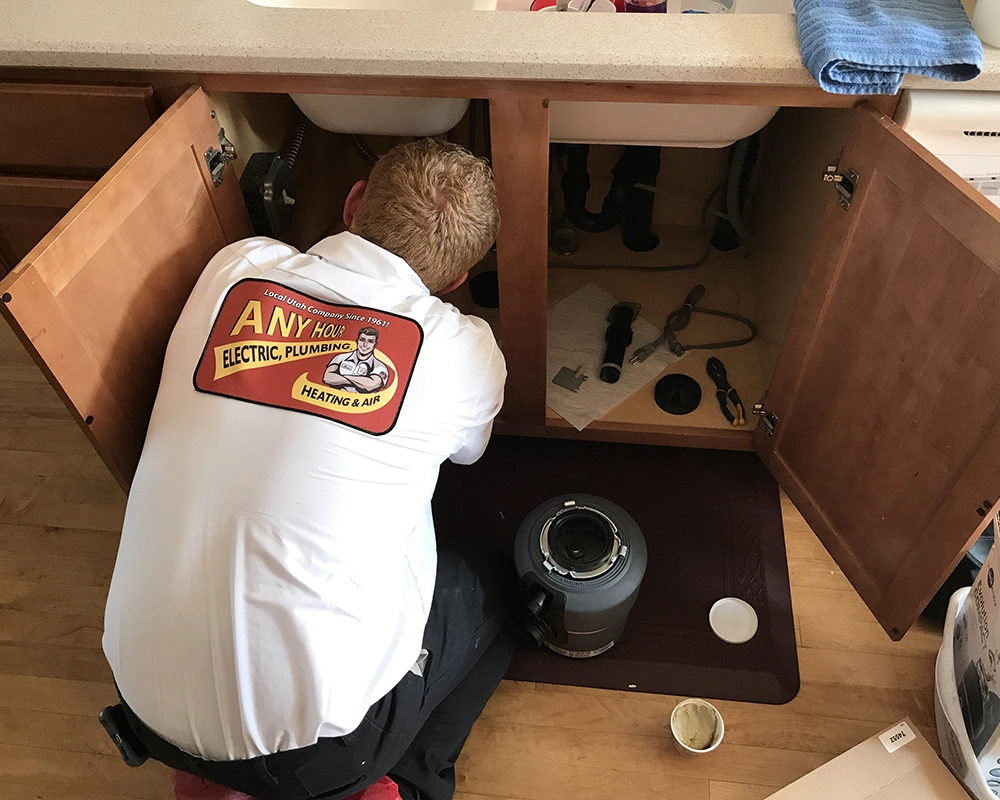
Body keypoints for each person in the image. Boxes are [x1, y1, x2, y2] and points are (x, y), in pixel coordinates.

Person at [102, 138, 515, 800]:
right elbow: (468, 451)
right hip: (312, 757)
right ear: (456, 280)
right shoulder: (462, 350)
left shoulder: (237, 267)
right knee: (494, 587)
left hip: (141, 697)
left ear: (354, 203)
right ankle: (405, 786)